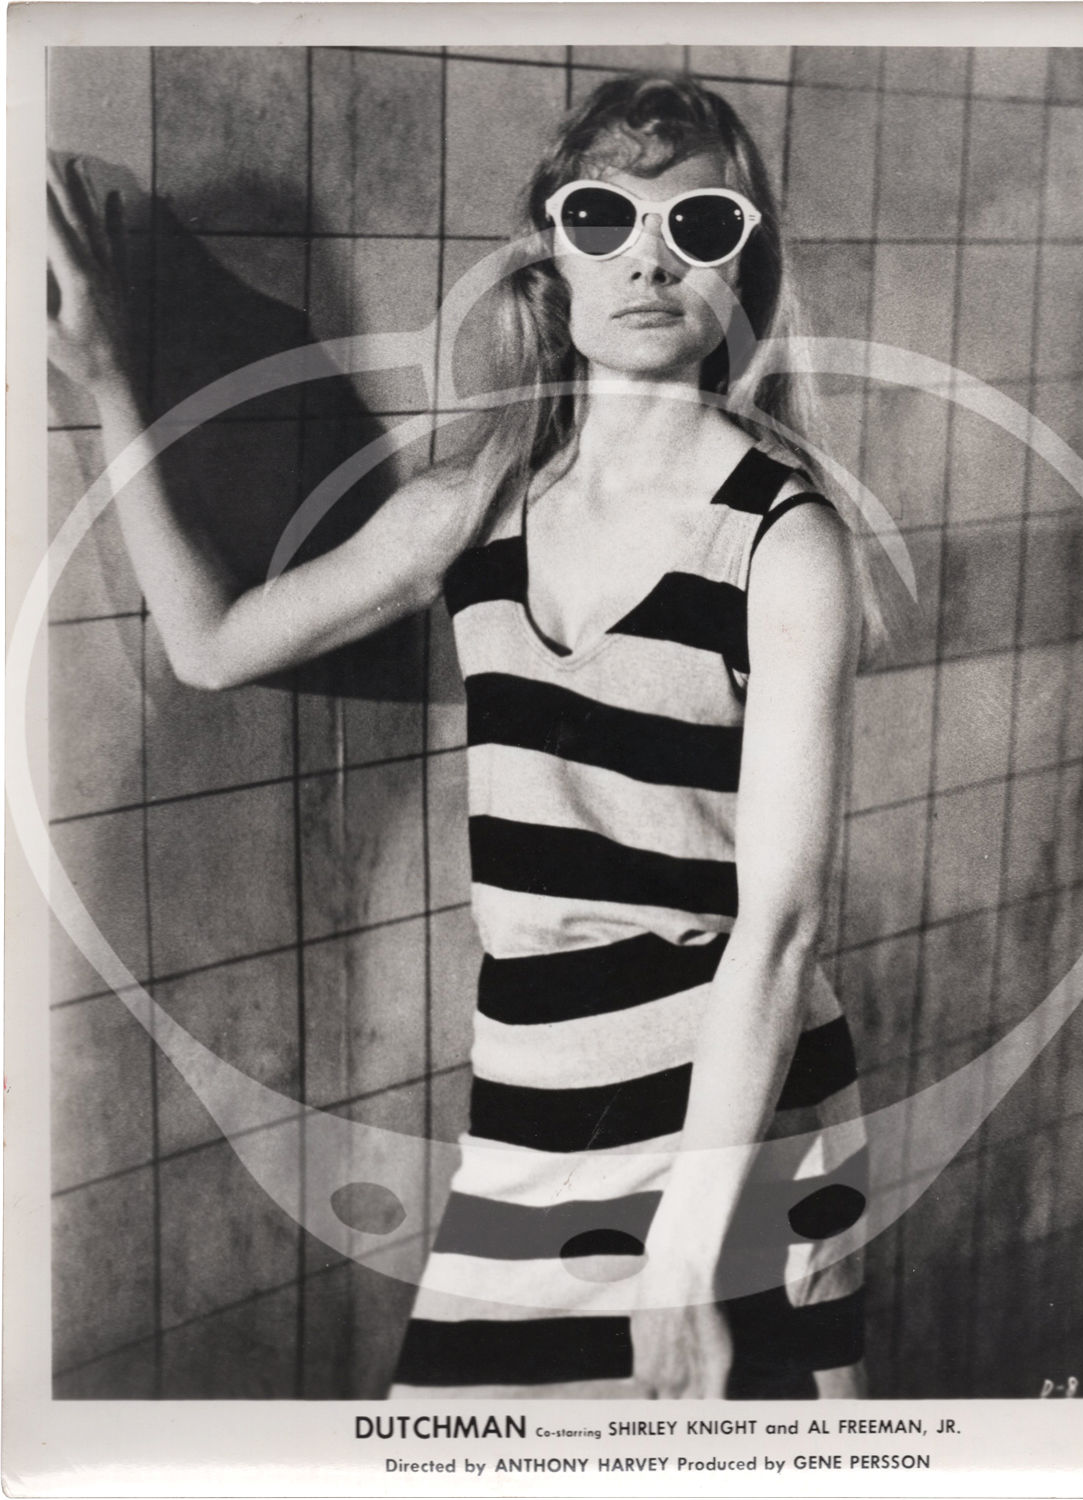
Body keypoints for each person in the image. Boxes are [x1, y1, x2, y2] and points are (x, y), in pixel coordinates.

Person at [47, 73, 869, 1401]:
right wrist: (108, 381)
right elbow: (210, 644)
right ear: (550, 248)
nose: (649, 259)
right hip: (536, 1101)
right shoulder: (478, 501)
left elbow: (781, 929)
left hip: (733, 1112)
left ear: (744, 264)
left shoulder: (787, 540)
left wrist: (688, 1239)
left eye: (699, 224)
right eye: (604, 216)